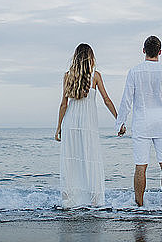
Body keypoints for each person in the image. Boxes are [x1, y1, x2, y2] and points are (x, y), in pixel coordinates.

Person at [115, 36, 162, 209]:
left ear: (143, 50)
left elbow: (127, 100)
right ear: (160, 52)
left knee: (140, 166)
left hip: (142, 123)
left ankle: (139, 206)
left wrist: (120, 122)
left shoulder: (134, 72)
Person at [55, 43, 117, 208]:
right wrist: (118, 119)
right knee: (90, 159)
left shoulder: (68, 76)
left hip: (71, 124)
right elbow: (107, 100)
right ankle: (94, 202)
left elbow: (63, 105)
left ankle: (69, 201)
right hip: (88, 124)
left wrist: (59, 127)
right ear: (91, 58)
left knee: (71, 162)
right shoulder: (95, 76)